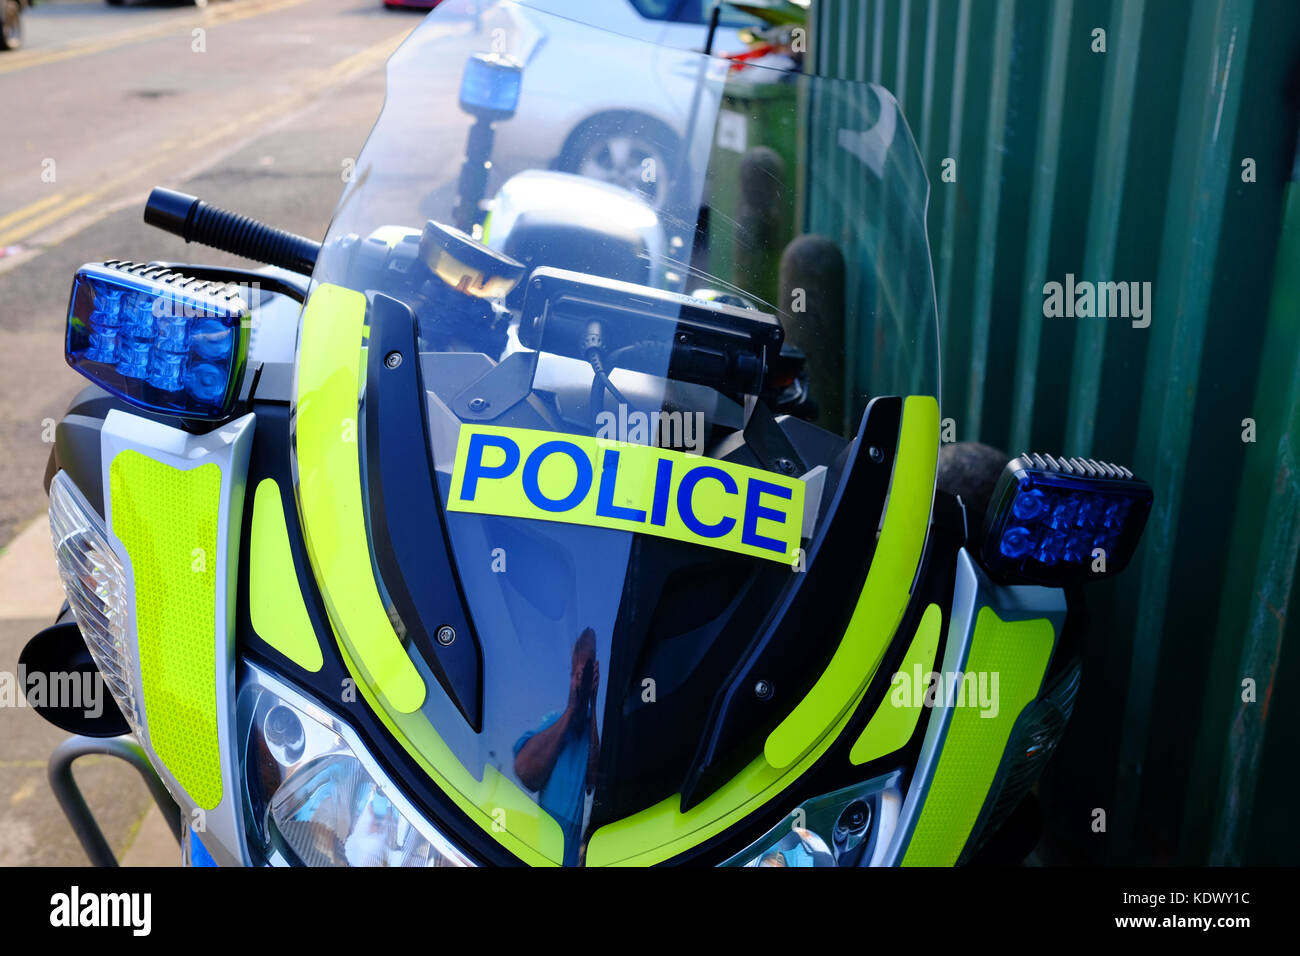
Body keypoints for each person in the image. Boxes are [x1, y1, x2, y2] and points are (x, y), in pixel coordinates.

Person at [513, 627, 601, 866]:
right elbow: (525, 772)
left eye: (587, 672)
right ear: (570, 676)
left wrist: (595, 703)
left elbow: (596, 781)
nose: (580, 681)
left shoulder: (603, 730)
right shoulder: (552, 723)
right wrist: (571, 710)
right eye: (576, 674)